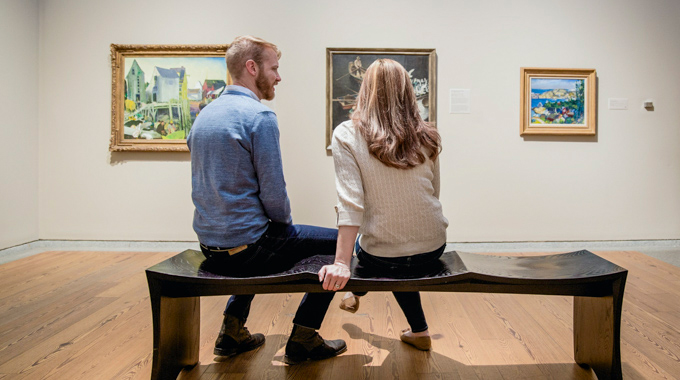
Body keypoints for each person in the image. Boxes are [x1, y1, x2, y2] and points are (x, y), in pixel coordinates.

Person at [187, 35, 346, 364]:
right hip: (248, 250)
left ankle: (231, 331)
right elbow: (274, 195)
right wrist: (285, 227)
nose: (278, 76)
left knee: (254, 234)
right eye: (274, 68)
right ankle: (304, 337)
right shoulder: (259, 117)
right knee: (342, 245)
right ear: (251, 67)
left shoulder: (205, 115)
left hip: (210, 246)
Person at [318, 59, 449, 351]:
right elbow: (433, 194)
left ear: (366, 89)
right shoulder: (428, 135)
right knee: (401, 250)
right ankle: (419, 331)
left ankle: (356, 291)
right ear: (408, 92)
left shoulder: (347, 134)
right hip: (433, 245)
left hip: (382, 254)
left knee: (377, 252)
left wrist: (341, 263)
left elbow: (351, 204)